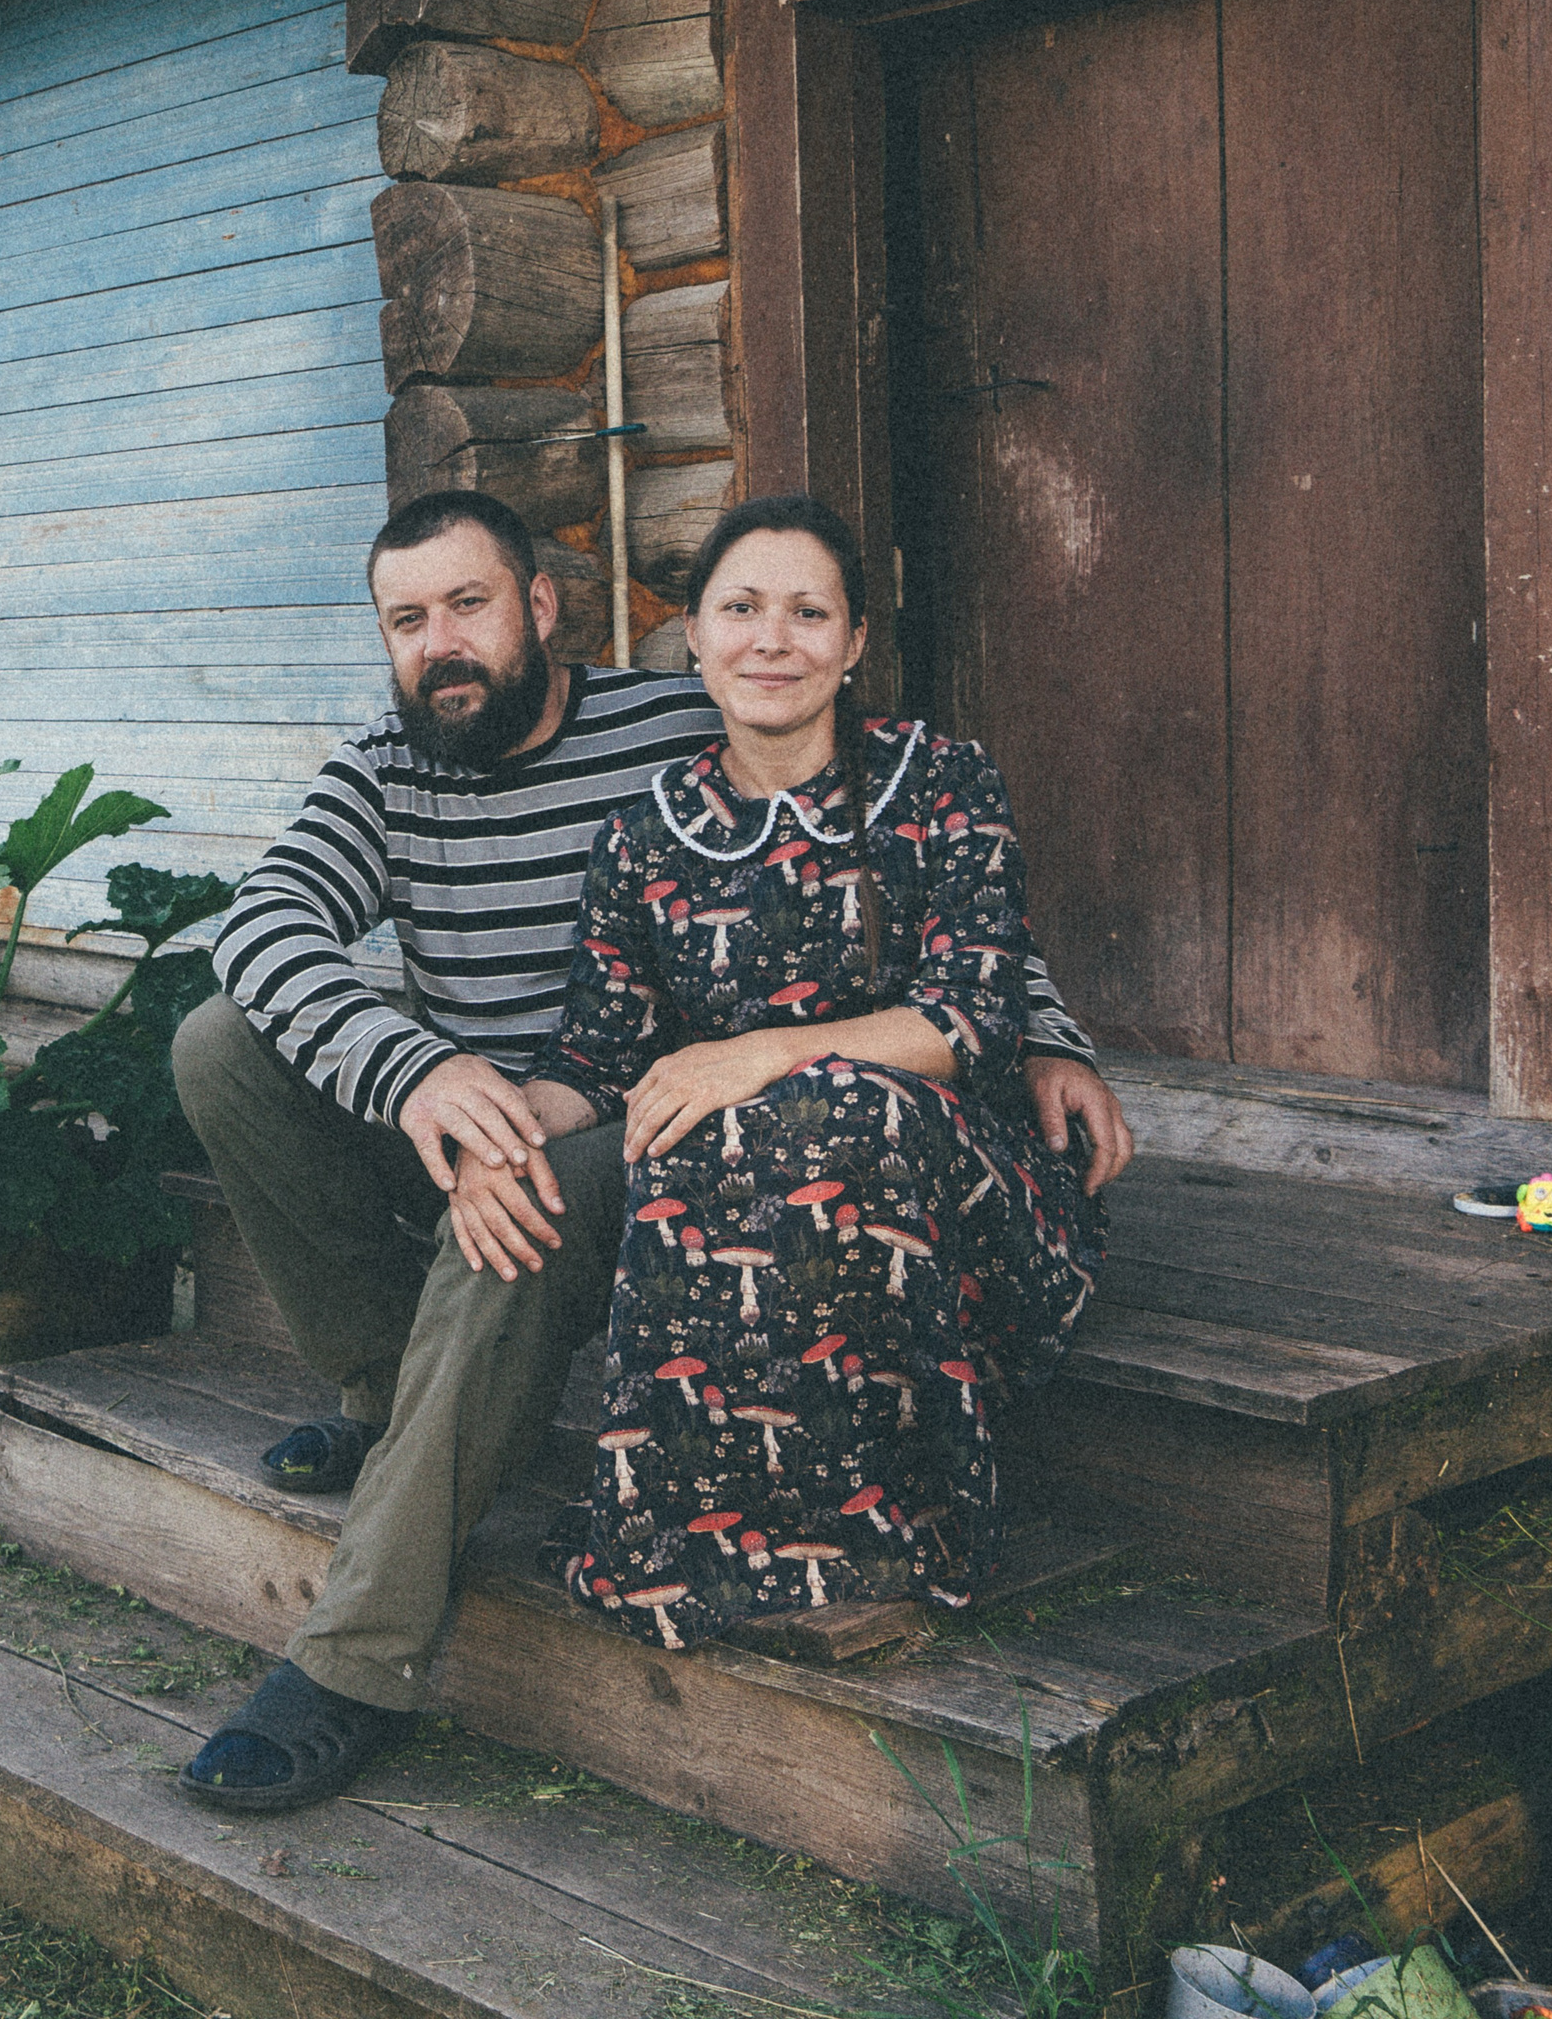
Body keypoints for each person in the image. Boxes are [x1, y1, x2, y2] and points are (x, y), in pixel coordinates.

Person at [167, 489, 1132, 1811]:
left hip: (664, 1125)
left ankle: (354, 1657)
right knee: (219, 1045)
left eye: (469, 604)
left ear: (540, 606)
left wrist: (1048, 1039)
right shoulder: (396, 772)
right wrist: (432, 1081)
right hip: (505, 1102)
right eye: (407, 620)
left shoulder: (695, 715)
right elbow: (268, 924)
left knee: (535, 1210)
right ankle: (396, 1402)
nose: (441, 643)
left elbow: (955, 913)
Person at [525, 494, 1101, 1641]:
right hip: (750, 1216)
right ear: (694, 635)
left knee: (816, 1103)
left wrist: (758, 1054)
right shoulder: (644, 838)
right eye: (740, 609)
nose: (772, 640)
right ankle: (687, 1550)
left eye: (808, 612)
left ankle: (896, 1531)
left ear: (853, 642)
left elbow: (973, 1014)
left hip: (966, 1214)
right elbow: (597, 1057)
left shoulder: (939, 781)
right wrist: (485, 1124)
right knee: (690, 1123)